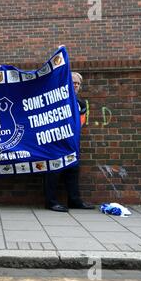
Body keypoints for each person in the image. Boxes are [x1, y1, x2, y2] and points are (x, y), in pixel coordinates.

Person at [43, 71, 95, 212]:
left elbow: (80, 124)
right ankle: (51, 202)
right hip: (55, 142)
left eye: (78, 83)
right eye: (73, 82)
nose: (76, 85)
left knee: (73, 170)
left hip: (71, 143)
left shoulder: (81, 104)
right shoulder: (54, 100)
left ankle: (74, 200)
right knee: (54, 171)